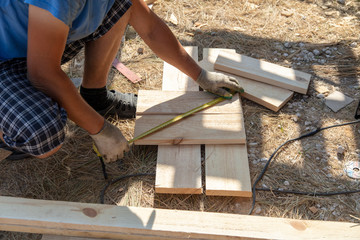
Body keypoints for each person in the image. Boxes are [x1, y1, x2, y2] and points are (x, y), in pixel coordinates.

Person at [0, 0, 243, 162]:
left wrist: (201, 75)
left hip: (33, 42)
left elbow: (148, 27)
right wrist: (100, 129)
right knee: (42, 134)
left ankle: (95, 98)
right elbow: (42, 74)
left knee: (121, 6)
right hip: (5, 59)